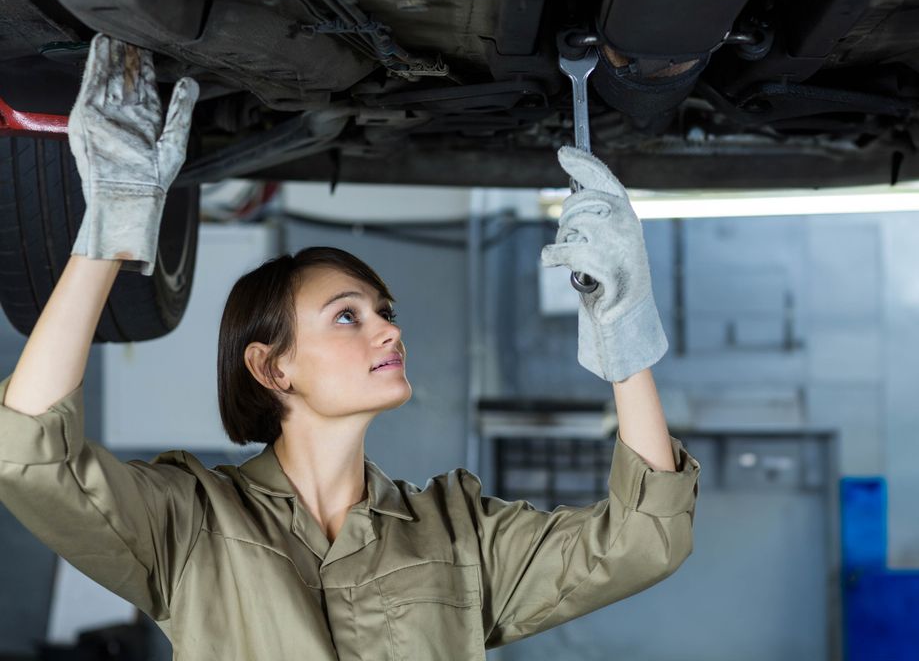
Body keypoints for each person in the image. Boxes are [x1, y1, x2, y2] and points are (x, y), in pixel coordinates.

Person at [0, 34, 701, 660]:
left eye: (384, 312)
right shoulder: (190, 525)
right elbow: (30, 458)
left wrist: (623, 327)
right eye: (348, 316)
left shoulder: (458, 537)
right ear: (272, 366)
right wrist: (109, 232)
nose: (389, 329)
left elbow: (643, 542)